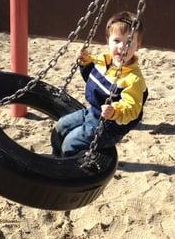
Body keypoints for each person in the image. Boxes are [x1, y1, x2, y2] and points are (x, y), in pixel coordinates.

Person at [52, 11, 148, 157]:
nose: (122, 47)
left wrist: (114, 111)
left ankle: (68, 169)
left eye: (129, 42)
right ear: (107, 40)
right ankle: (56, 158)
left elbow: (132, 109)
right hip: (93, 112)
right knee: (61, 126)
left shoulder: (133, 79)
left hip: (108, 127)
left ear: (138, 45)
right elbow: (93, 78)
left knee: (70, 143)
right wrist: (84, 61)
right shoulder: (103, 60)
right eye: (117, 41)